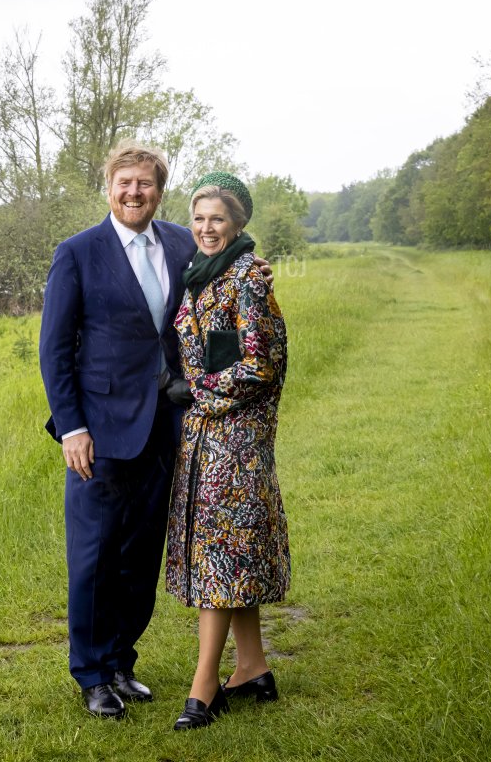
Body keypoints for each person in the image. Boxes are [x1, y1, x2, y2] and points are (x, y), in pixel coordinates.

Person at [39, 142, 272, 720]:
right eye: (124, 184)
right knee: (93, 556)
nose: (134, 193)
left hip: (168, 428)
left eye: (144, 184)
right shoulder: (77, 254)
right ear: (109, 188)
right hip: (99, 432)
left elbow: (230, 259)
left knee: (141, 554)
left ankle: (121, 661)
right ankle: (91, 674)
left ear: (158, 190)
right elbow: (54, 350)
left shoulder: (180, 241)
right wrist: (72, 427)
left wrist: (257, 271)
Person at [164, 172, 290, 731]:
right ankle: (254, 667)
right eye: (198, 218)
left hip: (235, 440)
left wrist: (197, 392)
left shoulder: (246, 280)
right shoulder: (199, 274)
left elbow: (259, 366)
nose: (206, 228)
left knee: (219, 558)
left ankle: (204, 686)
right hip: (206, 439)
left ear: (239, 224)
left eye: (217, 218)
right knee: (230, 555)